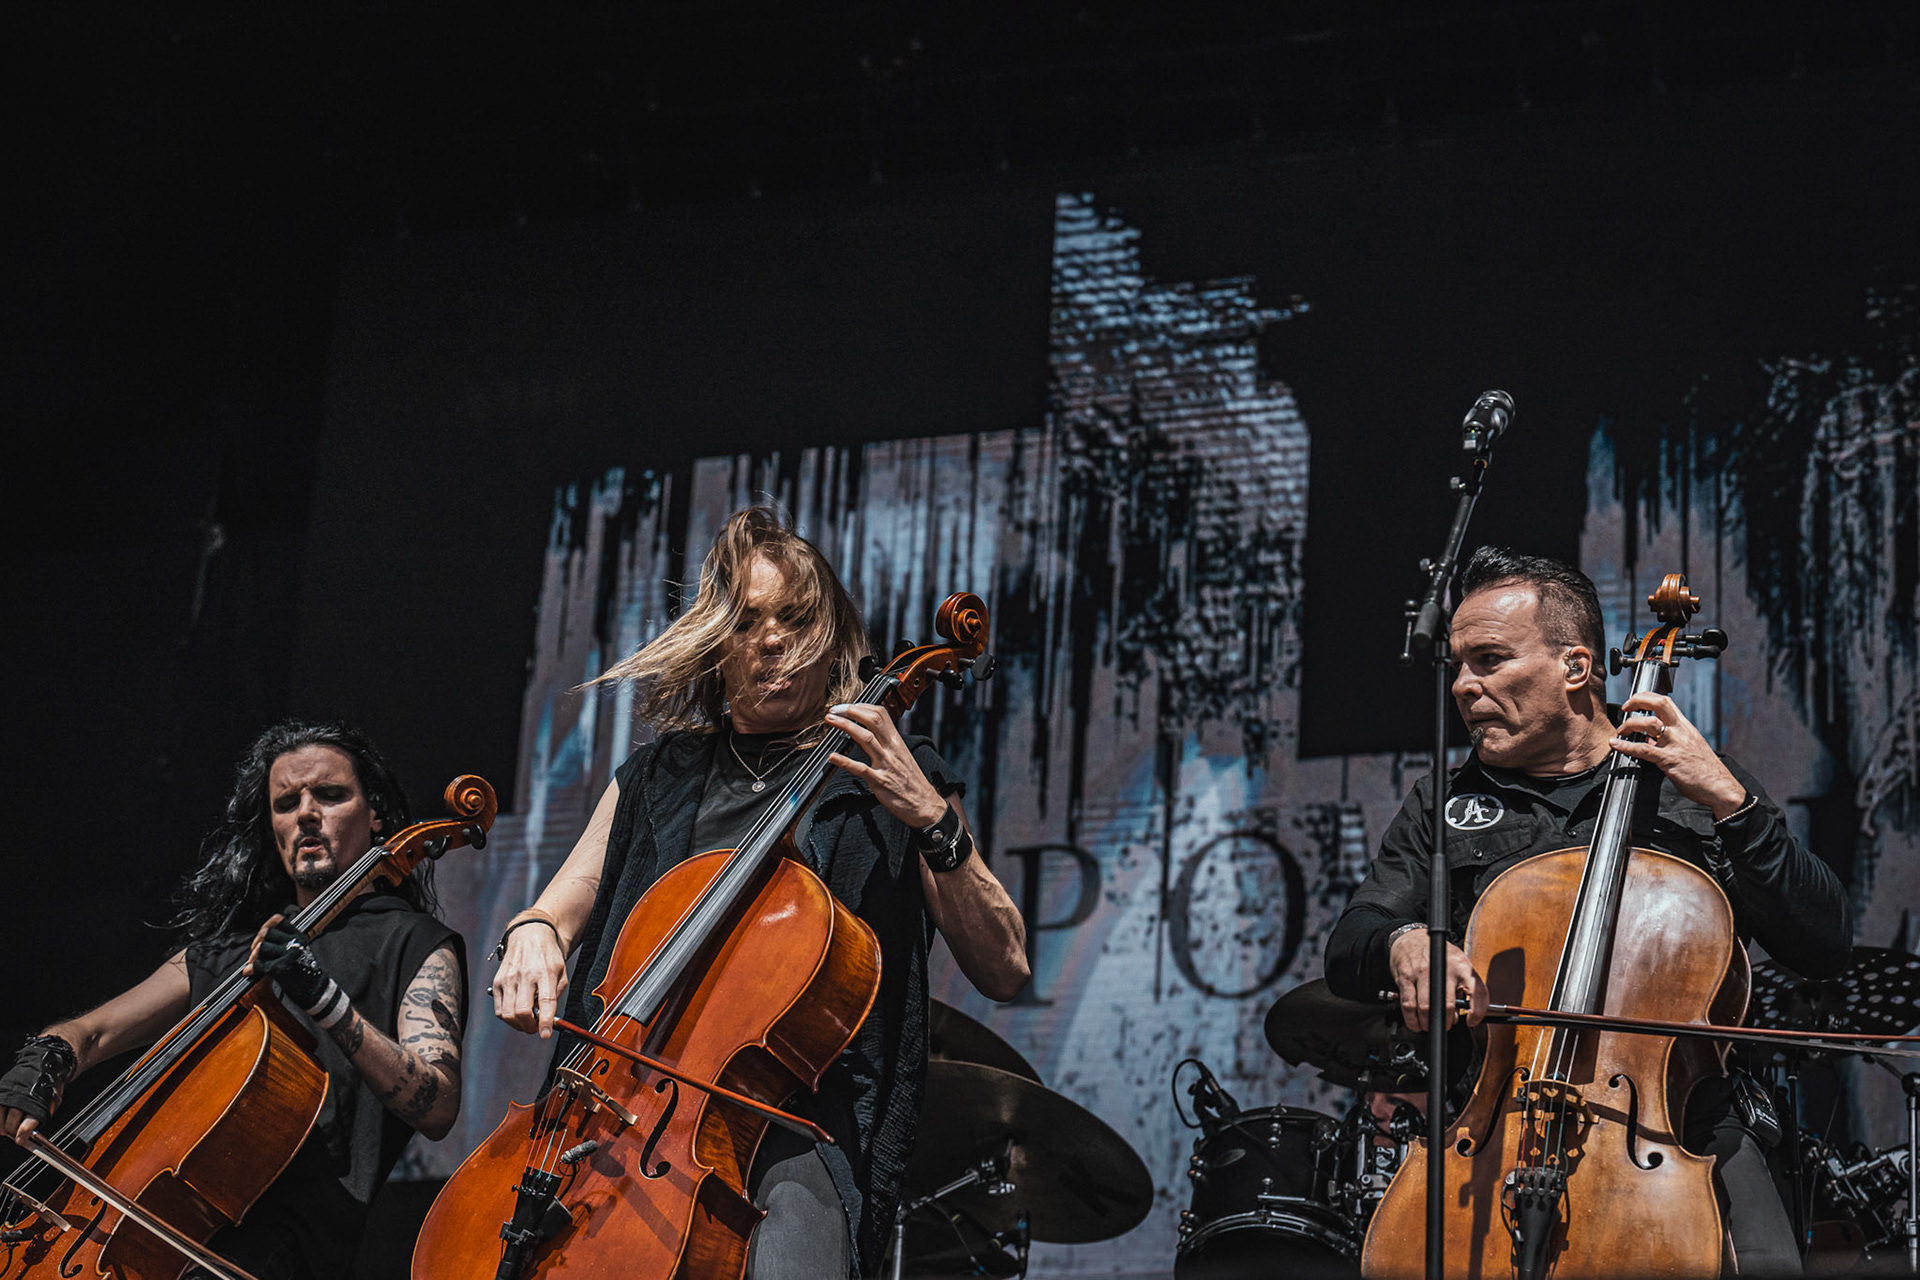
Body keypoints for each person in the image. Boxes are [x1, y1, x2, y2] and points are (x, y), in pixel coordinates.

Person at [490, 506, 1029, 1280]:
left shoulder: (888, 773)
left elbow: (1004, 965)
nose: (771, 638)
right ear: (716, 646)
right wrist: (533, 933)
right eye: (746, 621)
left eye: (796, 617)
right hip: (612, 1118)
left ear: (834, 636)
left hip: (790, 1127)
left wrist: (930, 816)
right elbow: (554, 910)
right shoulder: (658, 777)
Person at [1323, 547, 1852, 1275]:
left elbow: (1824, 942)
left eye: (1490, 660)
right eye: (1458, 666)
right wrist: (1404, 941)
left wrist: (1732, 803)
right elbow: (1350, 939)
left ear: (1577, 667)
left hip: (1679, 1127)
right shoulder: (1440, 807)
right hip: (1497, 1130)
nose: (1464, 687)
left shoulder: (1691, 791)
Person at [0, 721, 467, 1280]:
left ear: (377, 816)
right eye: (287, 802)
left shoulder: (413, 944)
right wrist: (49, 1057)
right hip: (136, 1243)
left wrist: (324, 999)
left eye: (332, 795)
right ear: (273, 827)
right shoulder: (227, 956)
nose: (306, 814)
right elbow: (93, 1032)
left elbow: (437, 1106)